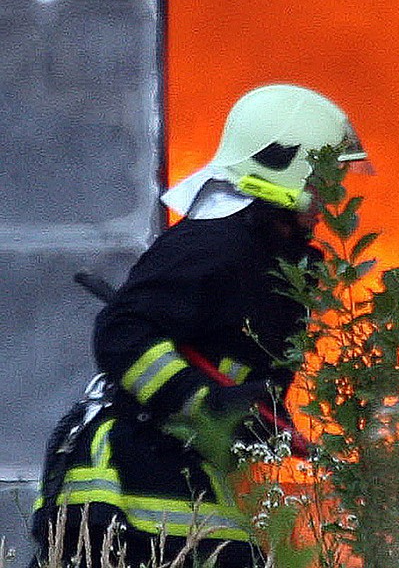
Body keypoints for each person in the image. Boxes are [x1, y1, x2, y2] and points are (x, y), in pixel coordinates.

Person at [30, 84, 370, 567]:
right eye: (324, 179)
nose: (329, 199)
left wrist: (258, 421)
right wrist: (206, 402)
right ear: (284, 163)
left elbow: (243, 374)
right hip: (129, 485)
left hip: (189, 478)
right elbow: (123, 334)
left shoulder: (273, 262)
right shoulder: (214, 243)